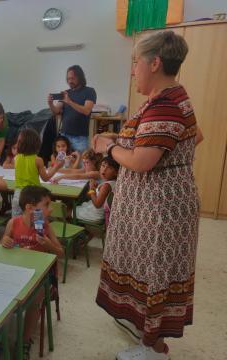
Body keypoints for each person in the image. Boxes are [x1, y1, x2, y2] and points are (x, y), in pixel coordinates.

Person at [92, 31, 202, 360]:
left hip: (159, 211)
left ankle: (153, 350)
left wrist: (111, 148)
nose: (132, 70)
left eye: (135, 63)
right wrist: (126, 141)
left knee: (155, 275)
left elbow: (142, 160)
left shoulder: (166, 104)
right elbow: (194, 136)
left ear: (154, 63)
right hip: (158, 206)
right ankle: (151, 340)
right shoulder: (165, 100)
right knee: (152, 274)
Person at [0, 186, 63, 358]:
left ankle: (25, 341)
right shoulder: (14, 223)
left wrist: (48, 244)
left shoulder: (45, 226)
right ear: (29, 208)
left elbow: (60, 252)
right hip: (17, 272)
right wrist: (5, 240)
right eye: (46, 204)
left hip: (41, 277)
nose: (50, 209)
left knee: (35, 299)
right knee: (0, 292)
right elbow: (3, 244)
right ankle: (0, 340)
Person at [12, 128, 64, 217]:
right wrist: (57, 167)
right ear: (36, 144)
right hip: (34, 195)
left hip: (18, 194)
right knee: (37, 222)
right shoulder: (38, 160)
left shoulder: (16, 158)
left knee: (18, 221)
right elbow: (46, 178)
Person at [47, 65, 97, 154]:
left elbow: (86, 110)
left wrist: (69, 101)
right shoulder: (66, 93)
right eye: (68, 79)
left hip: (80, 138)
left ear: (80, 77)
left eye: (72, 78)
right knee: (63, 164)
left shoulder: (89, 91)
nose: (70, 81)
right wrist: (50, 103)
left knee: (80, 165)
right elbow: (56, 111)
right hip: (64, 136)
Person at [75, 156, 118, 223]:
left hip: (95, 215)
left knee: (69, 211)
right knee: (79, 206)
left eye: (109, 168)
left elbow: (97, 204)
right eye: (103, 165)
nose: (104, 170)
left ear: (116, 172)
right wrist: (96, 189)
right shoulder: (114, 182)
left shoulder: (106, 186)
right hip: (97, 212)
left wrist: (91, 189)